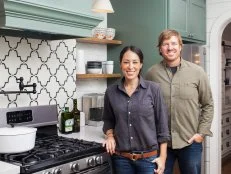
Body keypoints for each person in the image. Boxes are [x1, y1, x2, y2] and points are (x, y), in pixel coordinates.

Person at [145, 29, 214, 174]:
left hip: (190, 142)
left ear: (180, 46)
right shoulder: (151, 74)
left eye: (173, 43)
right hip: (161, 143)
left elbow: (208, 104)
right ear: (160, 48)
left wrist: (201, 133)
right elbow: (145, 106)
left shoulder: (197, 72)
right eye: (165, 44)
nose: (170, 48)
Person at [102, 45, 170, 174]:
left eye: (135, 62)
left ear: (141, 65)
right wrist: (110, 136)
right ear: (121, 65)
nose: (130, 66)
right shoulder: (111, 92)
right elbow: (108, 120)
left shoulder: (154, 89)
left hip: (148, 160)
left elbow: (163, 127)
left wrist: (163, 157)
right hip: (121, 159)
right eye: (126, 62)